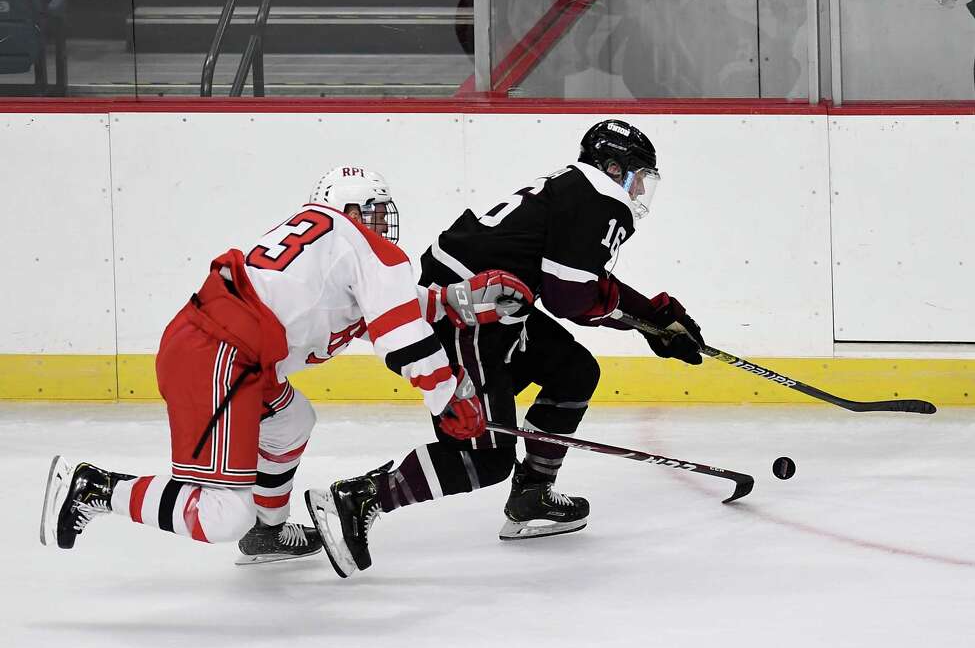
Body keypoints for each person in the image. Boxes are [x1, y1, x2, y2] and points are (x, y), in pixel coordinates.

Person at [39, 166, 532, 566]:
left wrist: (459, 300)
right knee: (219, 516)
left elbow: (384, 309)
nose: (384, 225)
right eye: (376, 212)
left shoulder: (325, 248)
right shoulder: (363, 247)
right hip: (217, 358)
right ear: (352, 209)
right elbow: (400, 334)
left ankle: (267, 531)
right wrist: (447, 397)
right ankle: (94, 488)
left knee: (293, 419)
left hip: (220, 349)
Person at [306, 120, 707, 578]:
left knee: (573, 370)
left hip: (494, 306)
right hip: (468, 312)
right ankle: (364, 495)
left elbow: (578, 280)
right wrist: (643, 324)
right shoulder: (599, 195)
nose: (638, 189)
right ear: (613, 167)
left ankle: (532, 495)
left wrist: (653, 316)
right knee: (483, 456)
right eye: (637, 175)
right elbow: (569, 297)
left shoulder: (574, 187)